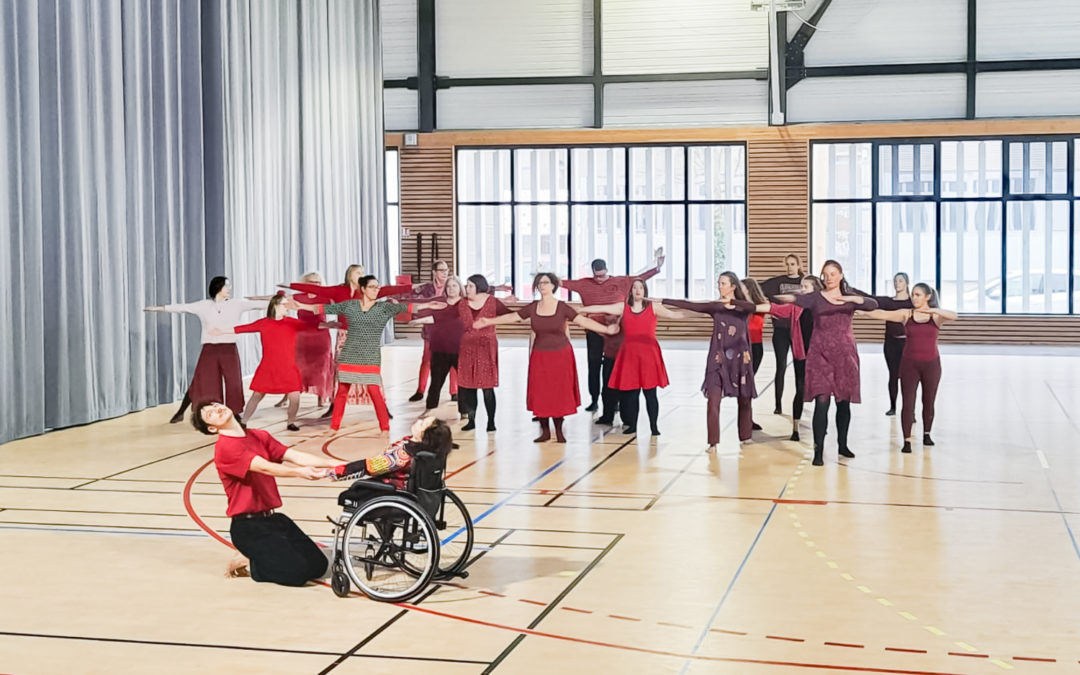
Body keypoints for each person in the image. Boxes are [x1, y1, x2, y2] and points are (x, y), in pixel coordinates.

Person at [192, 400, 338, 586]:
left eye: (215, 405)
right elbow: (266, 467)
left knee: (319, 566)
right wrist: (299, 473)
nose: (217, 409)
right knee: (298, 574)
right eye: (210, 414)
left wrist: (335, 464)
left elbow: (295, 456)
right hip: (248, 527)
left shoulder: (258, 435)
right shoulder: (225, 447)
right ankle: (249, 563)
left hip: (273, 520)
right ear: (212, 429)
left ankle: (263, 557)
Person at [474, 272, 617, 443]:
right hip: (540, 356)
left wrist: (606, 330)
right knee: (541, 392)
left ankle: (559, 429)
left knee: (558, 393)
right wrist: (488, 322)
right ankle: (544, 431)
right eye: (539, 283)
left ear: (553, 286)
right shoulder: (533, 307)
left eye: (546, 282)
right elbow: (513, 317)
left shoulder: (563, 307)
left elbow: (583, 322)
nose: (542, 285)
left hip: (561, 355)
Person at [293, 276, 444, 432]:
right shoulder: (350, 306)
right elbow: (322, 309)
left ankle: (385, 428)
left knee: (375, 393)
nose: (376, 290)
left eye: (377, 287)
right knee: (342, 393)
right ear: (363, 289)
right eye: (372, 287)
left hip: (370, 357)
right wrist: (299, 305)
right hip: (350, 355)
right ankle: (334, 426)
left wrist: (429, 304)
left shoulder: (384, 308)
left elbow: (408, 307)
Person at [773, 261, 877, 466]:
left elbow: (872, 304)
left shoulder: (850, 294)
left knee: (843, 402)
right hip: (819, 353)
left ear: (840, 275)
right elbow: (797, 298)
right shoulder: (816, 298)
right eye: (825, 274)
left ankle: (843, 444)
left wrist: (853, 298)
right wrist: (788, 298)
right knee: (822, 401)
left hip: (845, 354)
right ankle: (818, 450)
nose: (828, 277)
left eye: (832, 273)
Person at [285, 265, 415, 418]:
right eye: (358, 272)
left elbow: (389, 290)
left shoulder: (366, 289)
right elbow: (319, 291)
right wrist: (291, 285)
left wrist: (414, 287)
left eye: (362, 272)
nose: (361, 274)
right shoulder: (339, 291)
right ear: (350, 275)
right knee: (340, 371)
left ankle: (382, 407)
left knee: (369, 371)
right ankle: (334, 406)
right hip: (344, 336)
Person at [576, 279, 688, 436]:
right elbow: (602, 308)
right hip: (629, 354)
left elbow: (675, 315)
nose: (637, 290)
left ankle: (654, 427)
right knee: (631, 394)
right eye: (634, 288)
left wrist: (700, 309)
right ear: (630, 291)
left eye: (640, 288)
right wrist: (582, 309)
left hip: (649, 354)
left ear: (645, 291)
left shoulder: (653, 307)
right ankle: (632, 425)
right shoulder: (624, 307)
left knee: (650, 393)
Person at [562, 248, 665, 417]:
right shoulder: (584, 284)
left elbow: (641, 279)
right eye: (597, 276)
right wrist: (541, 277)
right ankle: (594, 399)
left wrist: (657, 267)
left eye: (602, 275)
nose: (600, 279)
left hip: (617, 331)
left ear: (607, 271)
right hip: (594, 330)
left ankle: (615, 402)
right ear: (593, 272)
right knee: (594, 365)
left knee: (615, 366)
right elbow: (560, 283)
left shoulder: (621, 282)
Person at [662, 272, 758, 452]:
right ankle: (713, 442)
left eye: (723, 283)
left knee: (745, 400)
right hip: (718, 358)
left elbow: (752, 306)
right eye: (719, 283)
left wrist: (732, 302)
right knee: (713, 401)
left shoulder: (742, 308)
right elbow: (691, 305)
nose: (719, 287)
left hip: (740, 359)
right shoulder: (715, 307)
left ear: (732, 286)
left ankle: (746, 436)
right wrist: (663, 300)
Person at [145, 276, 264, 421]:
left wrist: (284, 302)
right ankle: (181, 412)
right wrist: (159, 308)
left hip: (229, 349)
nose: (229, 289)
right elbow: (182, 307)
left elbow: (259, 305)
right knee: (201, 380)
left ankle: (235, 412)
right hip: (209, 350)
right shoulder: (203, 305)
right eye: (227, 286)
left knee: (233, 382)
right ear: (218, 287)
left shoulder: (237, 304)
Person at [861, 283, 956, 453]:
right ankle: (907, 441)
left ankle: (927, 433)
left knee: (928, 401)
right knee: (908, 402)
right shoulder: (907, 314)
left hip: (931, 365)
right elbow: (883, 314)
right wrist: (862, 310)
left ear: (927, 296)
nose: (914, 297)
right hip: (909, 365)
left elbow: (953, 315)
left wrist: (934, 310)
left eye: (918, 294)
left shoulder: (936, 317)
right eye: (913, 294)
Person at [212, 294, 322, 431]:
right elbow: (241, 328)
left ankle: (291, 422)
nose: (287, 307)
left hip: (288, 368)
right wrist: (221, 331)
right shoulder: (264, 323)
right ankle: (244, 421)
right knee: (256, 396)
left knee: (295, 397)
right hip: (268, 368)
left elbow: (314, 326)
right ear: (276, 305)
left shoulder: (293, 323)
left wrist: (330, 324)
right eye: (284, 304)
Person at [759, 276, 822, 441]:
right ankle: (795, 429)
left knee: (820, 393)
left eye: (806, 286)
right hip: (801, 354)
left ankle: (820, 425)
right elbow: (775, 309)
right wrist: (751, 306)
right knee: (800, 389)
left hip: (819, 356)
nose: (802, 289)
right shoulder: (796, 307)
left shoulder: (822, 306)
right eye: (801, 286)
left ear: (815, 288)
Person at [455, 275, 515, 432]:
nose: (466, 289)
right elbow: (446, 315)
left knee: (487, 387)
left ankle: (491, 421)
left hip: (486, 347)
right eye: (466, 286)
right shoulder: (462, 303)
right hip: (467, 347)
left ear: (479, 287)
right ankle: (472, 420)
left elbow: (511, 316)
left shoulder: (492, 302)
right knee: (469, 386)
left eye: (470, 286)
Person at [330, 416, 453, 487]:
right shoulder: (427, 452)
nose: (419, 421)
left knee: (353, 492)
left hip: (394, 490)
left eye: (423, 424)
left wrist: (335, 472)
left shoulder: (403, 455)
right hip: (409, 490)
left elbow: (371, 466)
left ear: (424, 436)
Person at [408, 276, 465, 411]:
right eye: (449, 286)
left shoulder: (465, 304)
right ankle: (430, 408)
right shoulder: (439, 302)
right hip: (440, 348)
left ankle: (465, 411)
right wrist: (415, 319)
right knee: (436, 382)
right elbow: (427, 311)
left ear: (460, 288)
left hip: (459, 349)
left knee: (463, 383)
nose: (451, 289)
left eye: (454, 286)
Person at [860, 272, 914, 416]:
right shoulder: (888, 302)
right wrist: (847, 288)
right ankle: (893, 407)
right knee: (893, 375)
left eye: (901, 281)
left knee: (908, 377)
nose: (897, 284)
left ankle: (910, 411)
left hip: (907, 344)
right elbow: (869, 298)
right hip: (891, 343)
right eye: (895, 281)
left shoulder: (912, 303)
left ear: (907, 283)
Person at [760, 255, 807, 415]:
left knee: (799, 367)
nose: (789, 267)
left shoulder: (805, 282)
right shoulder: (777, 282)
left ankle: (800, 401)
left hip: (799, 330)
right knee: (780, 366)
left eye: (793, 264)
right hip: (780, 330)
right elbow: (757, 289)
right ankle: (778, 404)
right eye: (787, 264)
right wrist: (770, 310)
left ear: (799, 265)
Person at [742, 278, 769, 431]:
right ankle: (745, 418)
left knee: (748, 383)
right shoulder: (739, 305)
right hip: (740, 346)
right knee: (743, 384)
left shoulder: (760, 305)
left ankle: (747, 418)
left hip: (755, 348)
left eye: (743, 288)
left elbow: (766, 308)